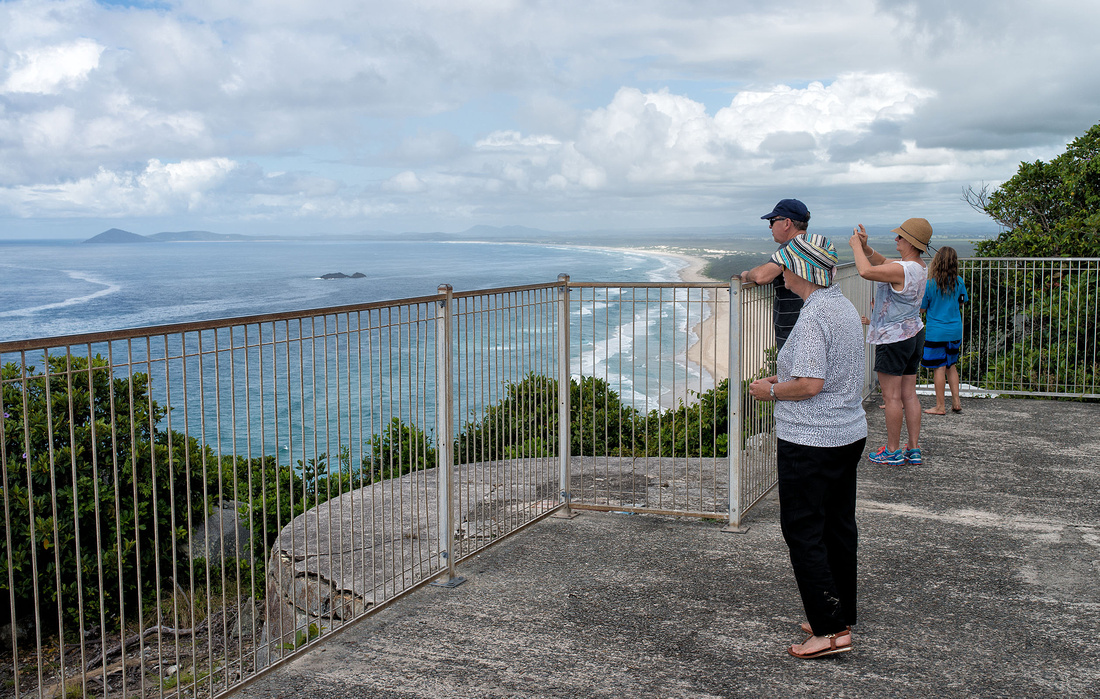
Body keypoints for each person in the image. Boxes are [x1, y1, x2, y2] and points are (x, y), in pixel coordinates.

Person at [747, 233, 866, 659]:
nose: (780, 274)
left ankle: (830, 632)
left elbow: (812, 384)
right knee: (838, 525)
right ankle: (838, 612)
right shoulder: (840, 305)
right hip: (847, 432)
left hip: (811, 440)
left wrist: (772, 392)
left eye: (784, 266)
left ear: (798, 270)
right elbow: (829, 373)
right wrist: (784, 382)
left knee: (803, 531)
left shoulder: (815, 315)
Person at [849, 218, 931, 466]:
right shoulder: (917, 266)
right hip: (914, 334)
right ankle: (913, 448)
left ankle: (893, 450)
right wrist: (866, 248)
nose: (896, 240)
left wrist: (855, 247)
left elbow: (866, 271)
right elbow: (883, 263)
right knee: (909, 395)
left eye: (900, 237)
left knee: (892, 397)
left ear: (910, 242)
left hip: (893, 337)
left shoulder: (903, 269)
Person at [742, 198, 812, 350]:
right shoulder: (813, 243)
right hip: (810, 325)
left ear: (787, 223)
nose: (770, 226)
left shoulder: (793, 247)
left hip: (795, 331)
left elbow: (762, 276)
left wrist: (746, 275)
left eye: (773, 221)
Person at [920, 246, 968, 415]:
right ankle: (956, 402)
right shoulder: (959, 282)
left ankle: (940, 406)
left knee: (939, 368)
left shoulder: (930, 284)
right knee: (951, 366)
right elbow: (962, 302)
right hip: (955, 330)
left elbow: (923, 308)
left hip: (936, 332)